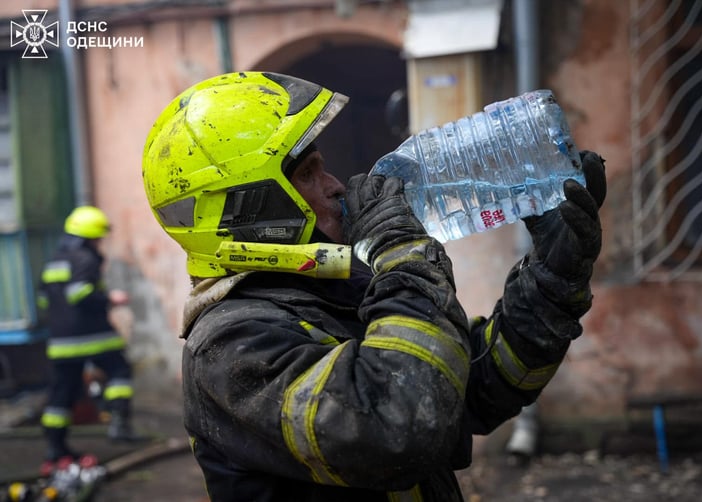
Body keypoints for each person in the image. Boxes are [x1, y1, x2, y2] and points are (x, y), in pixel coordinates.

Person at [141, 72, 606, 501]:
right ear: (251, 208)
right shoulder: (231, 346)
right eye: (307, 174)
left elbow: (475, 390)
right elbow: (398, 429)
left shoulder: (340, 290)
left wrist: (551, 280)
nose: (337, 186)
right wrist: (400, 250)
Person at [37, 206, 136, 471]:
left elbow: (44, 299)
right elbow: (79, 293)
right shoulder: (86, 258)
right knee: (120, 370)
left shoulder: (55, 259)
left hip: (60, 341)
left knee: (61, 393)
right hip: (93, 334)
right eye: (98, 237)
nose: (99, 242)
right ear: (90, 237)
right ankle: (119, 424)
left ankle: (55, 448)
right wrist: (110, 299)